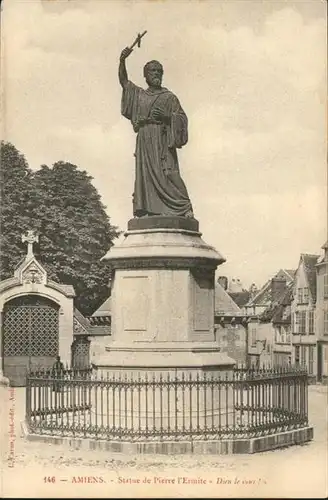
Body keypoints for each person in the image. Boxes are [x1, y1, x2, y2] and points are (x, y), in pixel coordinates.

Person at [119, 47, 194, 218]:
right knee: (145, 176)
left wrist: (168, 116)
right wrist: (122, 61)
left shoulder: (169, 97)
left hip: (162, 140)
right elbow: (124, 82)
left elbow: (182, 119)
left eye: (159, 71)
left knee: (170, 174)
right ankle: (147, 210)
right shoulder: (139, 95)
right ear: (145, 75)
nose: (156, 74)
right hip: (145, 139)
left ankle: (185, 207)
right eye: (153, 71)